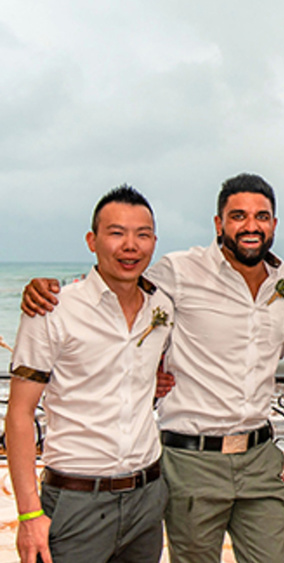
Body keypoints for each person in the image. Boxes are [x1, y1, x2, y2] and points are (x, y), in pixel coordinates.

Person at [22, 173, 284, 563]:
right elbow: (116, 284)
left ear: (274, 224)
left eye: (261, 216)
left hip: (260, 457)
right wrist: (47, 290)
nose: (250, 226)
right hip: (190, 459)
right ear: (219, 224)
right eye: (238, 216)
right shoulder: (179, 271)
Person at [7, 185, 171, 563]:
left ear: (153, 242)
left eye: (142, 234)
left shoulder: (161, 307)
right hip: (76, 500)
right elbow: (19, 413)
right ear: (91, 241)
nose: (130, 245)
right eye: (116, 233)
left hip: (147, 497)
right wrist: (30, 514)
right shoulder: (53, 308)